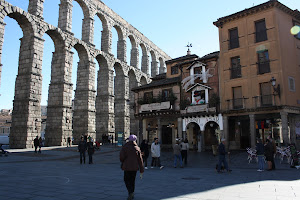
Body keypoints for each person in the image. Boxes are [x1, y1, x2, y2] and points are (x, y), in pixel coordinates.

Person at [120, 135, 144, 200]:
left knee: (126, 180)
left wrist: (123, 161)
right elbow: (140, 160)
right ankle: (132, 192)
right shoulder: (137, 148)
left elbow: (121, 157)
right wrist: (141, 170)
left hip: (127, 167)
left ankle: (130, 192)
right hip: (135, 168)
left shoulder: (125, 147)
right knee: (132, 180)